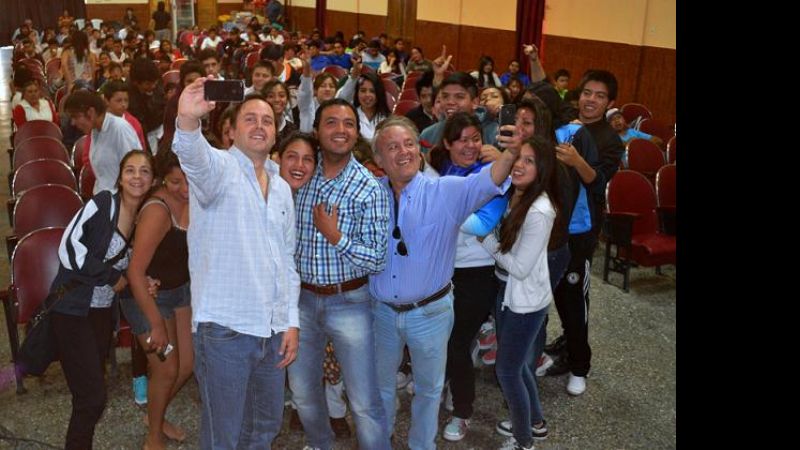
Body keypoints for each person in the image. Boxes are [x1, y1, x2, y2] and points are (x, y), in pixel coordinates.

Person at [369, 115, 521, 450]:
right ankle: (380, 441)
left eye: (409, 144)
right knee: (380, 386)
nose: (403, 152)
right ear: (379, 159)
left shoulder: (445, 192)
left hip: (430, 313)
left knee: (428, 389)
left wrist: (510, 153)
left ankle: (422, 445)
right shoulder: (370, 195)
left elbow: (486, 182)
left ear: (420, 152)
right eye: (392, 147)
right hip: (381, 312)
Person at [172, 79, 299, 448]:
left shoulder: (280, 188)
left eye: (268, 120)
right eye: (250, 119)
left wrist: (290, 321)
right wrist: (187, 119)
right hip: (225, 331)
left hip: (272, 331)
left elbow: (286, 261)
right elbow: (193, 155)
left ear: (276, 132)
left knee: (264, 426)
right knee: (223, 436)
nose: (260, 126)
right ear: (232, 131)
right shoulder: (219, 170)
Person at [288, 99, 391, 450]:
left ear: (356, 132)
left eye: (349, 123)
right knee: (302, 394)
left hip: (350, 301)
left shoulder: (369, 186)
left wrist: (337, 237)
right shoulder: (301, 174)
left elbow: (377, 259)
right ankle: (321, 444)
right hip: (301, 300)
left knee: (364, 402)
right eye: (332, 122)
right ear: (317, 131)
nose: (341, 130)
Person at [50, 150, 155, 450]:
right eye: (130, 170)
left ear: (153, 179)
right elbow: (68, 247)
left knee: (87, 395)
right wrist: (110, 277)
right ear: (120, 177)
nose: (137, 177)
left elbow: (130, 268)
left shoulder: (144, 218)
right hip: (72, 309)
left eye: (144, 171)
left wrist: (145, 280)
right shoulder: (103, 204)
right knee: (93, 397)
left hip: (99, 315)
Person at [427, 113, 509, 443]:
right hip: (439, 267)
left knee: (455, 342)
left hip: (476, 270)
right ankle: (447, 380)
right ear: (447, 144)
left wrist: (438, 206)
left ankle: (462, 411)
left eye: (476, 138)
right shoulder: (438, 167)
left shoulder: (492, 174)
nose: (470, 146)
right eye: (461, 139)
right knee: (441, 339)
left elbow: (480, 224)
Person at [479, 135, 561, 450]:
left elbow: (520, 267)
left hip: (524, 300)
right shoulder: (516, 194)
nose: (520, 165)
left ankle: (524, 441)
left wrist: (484, 240)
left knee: (507, 370)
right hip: (507, 290)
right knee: (520, 365)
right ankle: (534, 422)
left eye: (530, 161)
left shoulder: (539, 210)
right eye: (518, 158)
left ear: (542, 170)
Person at [547, 70, 624, 396]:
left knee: (574, 294)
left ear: (610, 103)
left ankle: (580, 364)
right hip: (550, 222)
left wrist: (577, 160)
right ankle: (564, 343)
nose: (590, 100)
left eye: (599, 96)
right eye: (587, 92)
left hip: (582, 229)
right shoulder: (563, 122)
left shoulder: (610, 139)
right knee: (549, 291)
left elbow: (599, 182)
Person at [124, 145, 192, 450]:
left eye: (190, 180)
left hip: (180, 291)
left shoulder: (195, 199)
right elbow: (135, 272)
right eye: (175, 182)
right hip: (147, 295)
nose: (185, 189)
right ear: (162, 180)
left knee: (186, 365)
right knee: (166, 370)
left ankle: (156, 413)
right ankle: (153, 434)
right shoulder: (157, 210)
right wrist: (155, 324)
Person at [64, 90, 141, 194]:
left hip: (120, 199)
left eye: (76, 117)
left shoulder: (120, 129)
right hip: (103, 197)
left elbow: (135, 171)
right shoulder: (95, 131)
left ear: (91, 112)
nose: (73, 123)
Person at [336, 62, 391, 141]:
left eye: (372, 91)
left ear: (379, 93)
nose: (367, 95)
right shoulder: (350, 115)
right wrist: (354, 77)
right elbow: (341, 100)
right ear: (357, 93)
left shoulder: (387, 118)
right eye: (363, 90)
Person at [297, 52, 337, 132]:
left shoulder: (338, 107)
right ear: (315, 90)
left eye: (331, 86)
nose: (327, 89)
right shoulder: (307, 105)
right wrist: (307, 69)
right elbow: (305, 91)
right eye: (323, 86)